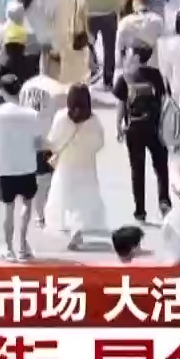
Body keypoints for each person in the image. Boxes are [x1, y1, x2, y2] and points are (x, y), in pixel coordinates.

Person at [0, 79, 43, 262]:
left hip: (5, 167)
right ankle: (22, 245)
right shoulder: (32, 114)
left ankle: (8, 248)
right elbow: (38, 143)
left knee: (8, 208)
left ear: (3, 92)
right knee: (26, 205)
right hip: (27, 166)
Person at [45, 83, 110, 250]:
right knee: (83, 201)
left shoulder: (61, 117)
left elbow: (52, 142)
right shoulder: (94, 121)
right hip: (86, 166)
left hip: (66, 166)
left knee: (65, 200)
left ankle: (71, 232)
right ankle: (77, 231)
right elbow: (99, 144)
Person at [114, 46, 171, 222]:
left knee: (137, 170)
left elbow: (121, 104)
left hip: (134, 130)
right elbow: (164, 100)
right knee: (161, 167)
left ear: (137, 57)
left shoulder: (125, 77)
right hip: (155, 128)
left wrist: (118, 125)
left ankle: (140, 210)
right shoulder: (156, 75)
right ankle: (164, 200)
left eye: (129, 53)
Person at [80, 0, 123, 88]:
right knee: (109, 50)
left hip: (91, 16)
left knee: (87, 48)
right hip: (109, 15)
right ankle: (108, 82)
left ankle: (87, 77)